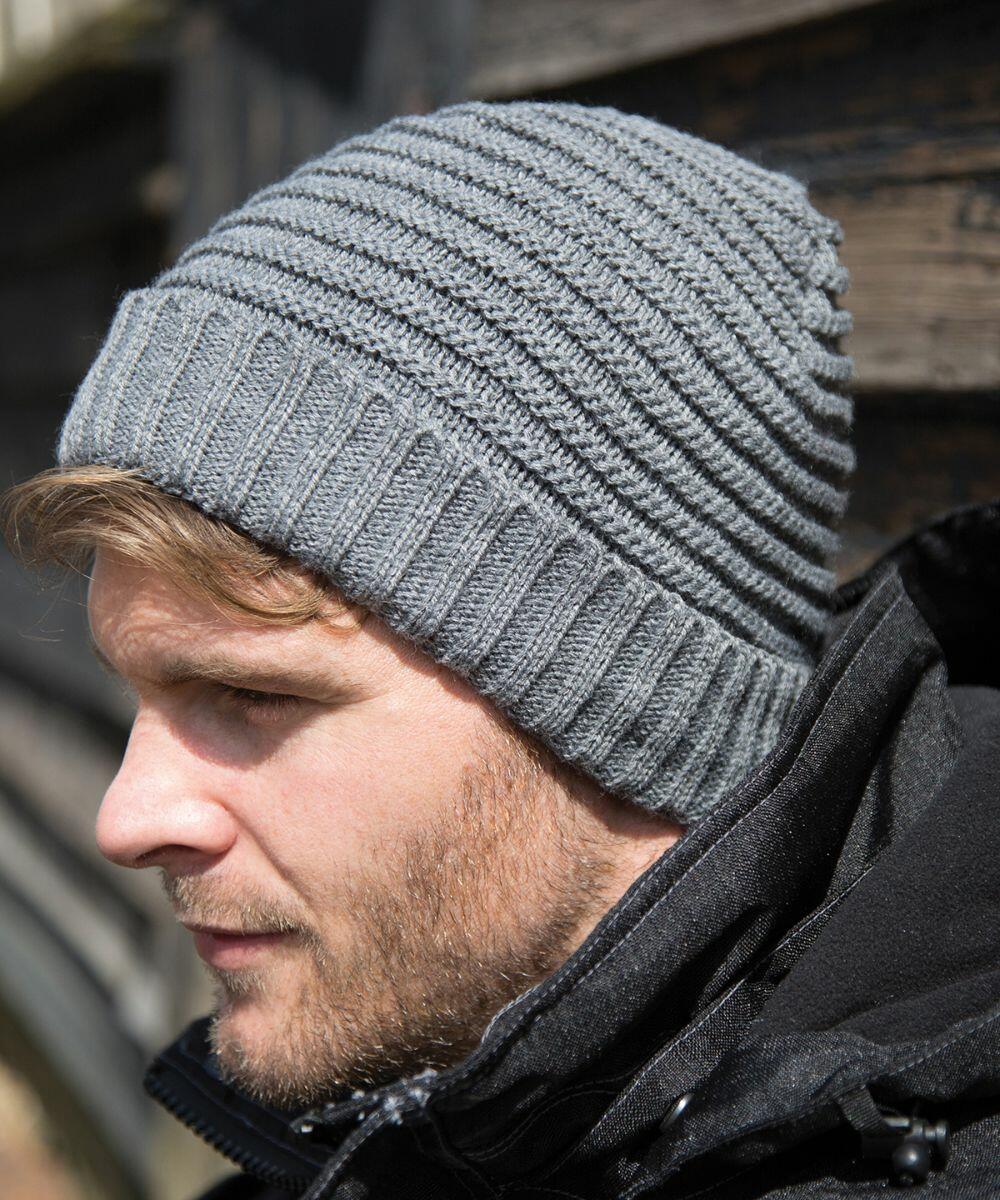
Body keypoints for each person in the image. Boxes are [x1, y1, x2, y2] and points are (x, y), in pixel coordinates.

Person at [4, 101, 998, 1199]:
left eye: (246, 693)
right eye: (141, 694)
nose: (127, 819)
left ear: (620, 703)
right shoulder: (389, 1131)